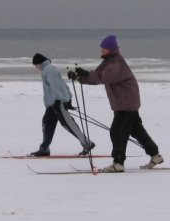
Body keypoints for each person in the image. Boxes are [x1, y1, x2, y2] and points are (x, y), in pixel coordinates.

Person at [67, 35, 163, 172]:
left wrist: (87, 74)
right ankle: (155, 155)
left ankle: (118, 163)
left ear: (110, 49)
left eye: (103, 48)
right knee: (136, 131)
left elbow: (103, 77)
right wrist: (80, 77)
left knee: (117, 132)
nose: (101, 51)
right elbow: (98, 77)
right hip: (125, 102)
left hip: (126, 103)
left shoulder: (116, 63)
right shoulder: (109, 61)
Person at [30, 53, 95, 157]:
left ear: (39, 63)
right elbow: (63, 85)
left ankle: (87, 143)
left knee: (68, 124)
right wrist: (68, 99)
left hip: (57, 103)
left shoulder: (49, 70)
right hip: (53, 104)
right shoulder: (49, 69)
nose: (36, 68)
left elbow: (56, 86)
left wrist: (59, 100)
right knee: (47, 124)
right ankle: (44, 148)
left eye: (35, 65)